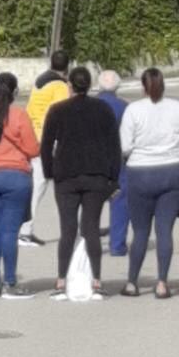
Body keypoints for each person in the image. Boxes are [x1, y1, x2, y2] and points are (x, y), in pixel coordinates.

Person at [40, 66, 121, 300]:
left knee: (67, 230)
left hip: (66, 175)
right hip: (96, 175)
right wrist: (113, 178)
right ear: (90, 85)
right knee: (91, 228)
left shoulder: (57, 110)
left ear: (70, 86)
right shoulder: (103, 109)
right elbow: (114, 146)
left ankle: (61, 281)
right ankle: (96, 281)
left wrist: (49, 172)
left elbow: (46, 145)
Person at [119, 67, 179, 299]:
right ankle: (162, 282)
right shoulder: (178, 109)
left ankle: (132, 282)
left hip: (140, 172)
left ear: (143, 86)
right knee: (165, 230)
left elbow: (125, 147)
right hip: (173, 172)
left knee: (140, 231)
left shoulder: (133, 110)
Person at [0, 72, 40, 299]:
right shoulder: (19, 115)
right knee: (10, 232)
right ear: (14, 92)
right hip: (15, 177)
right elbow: (33, 150)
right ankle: (11, 282)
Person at [19, 50, 70, 246]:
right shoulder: (59, 86)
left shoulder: (40, 80)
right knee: (40, 186)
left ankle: (25, 229)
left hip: (34, 135)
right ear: (67, 67)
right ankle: (24, 231)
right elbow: (61, 113)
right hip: (48, 141)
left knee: (39, 185)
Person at [97, 70, 130, 256]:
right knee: (119, 200)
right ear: (118, 86)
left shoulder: (89, 105)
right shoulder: (124, 106)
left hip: (92, 159)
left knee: (91, 202)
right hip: (117, 158)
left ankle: (88, 242)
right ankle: (117, 245)